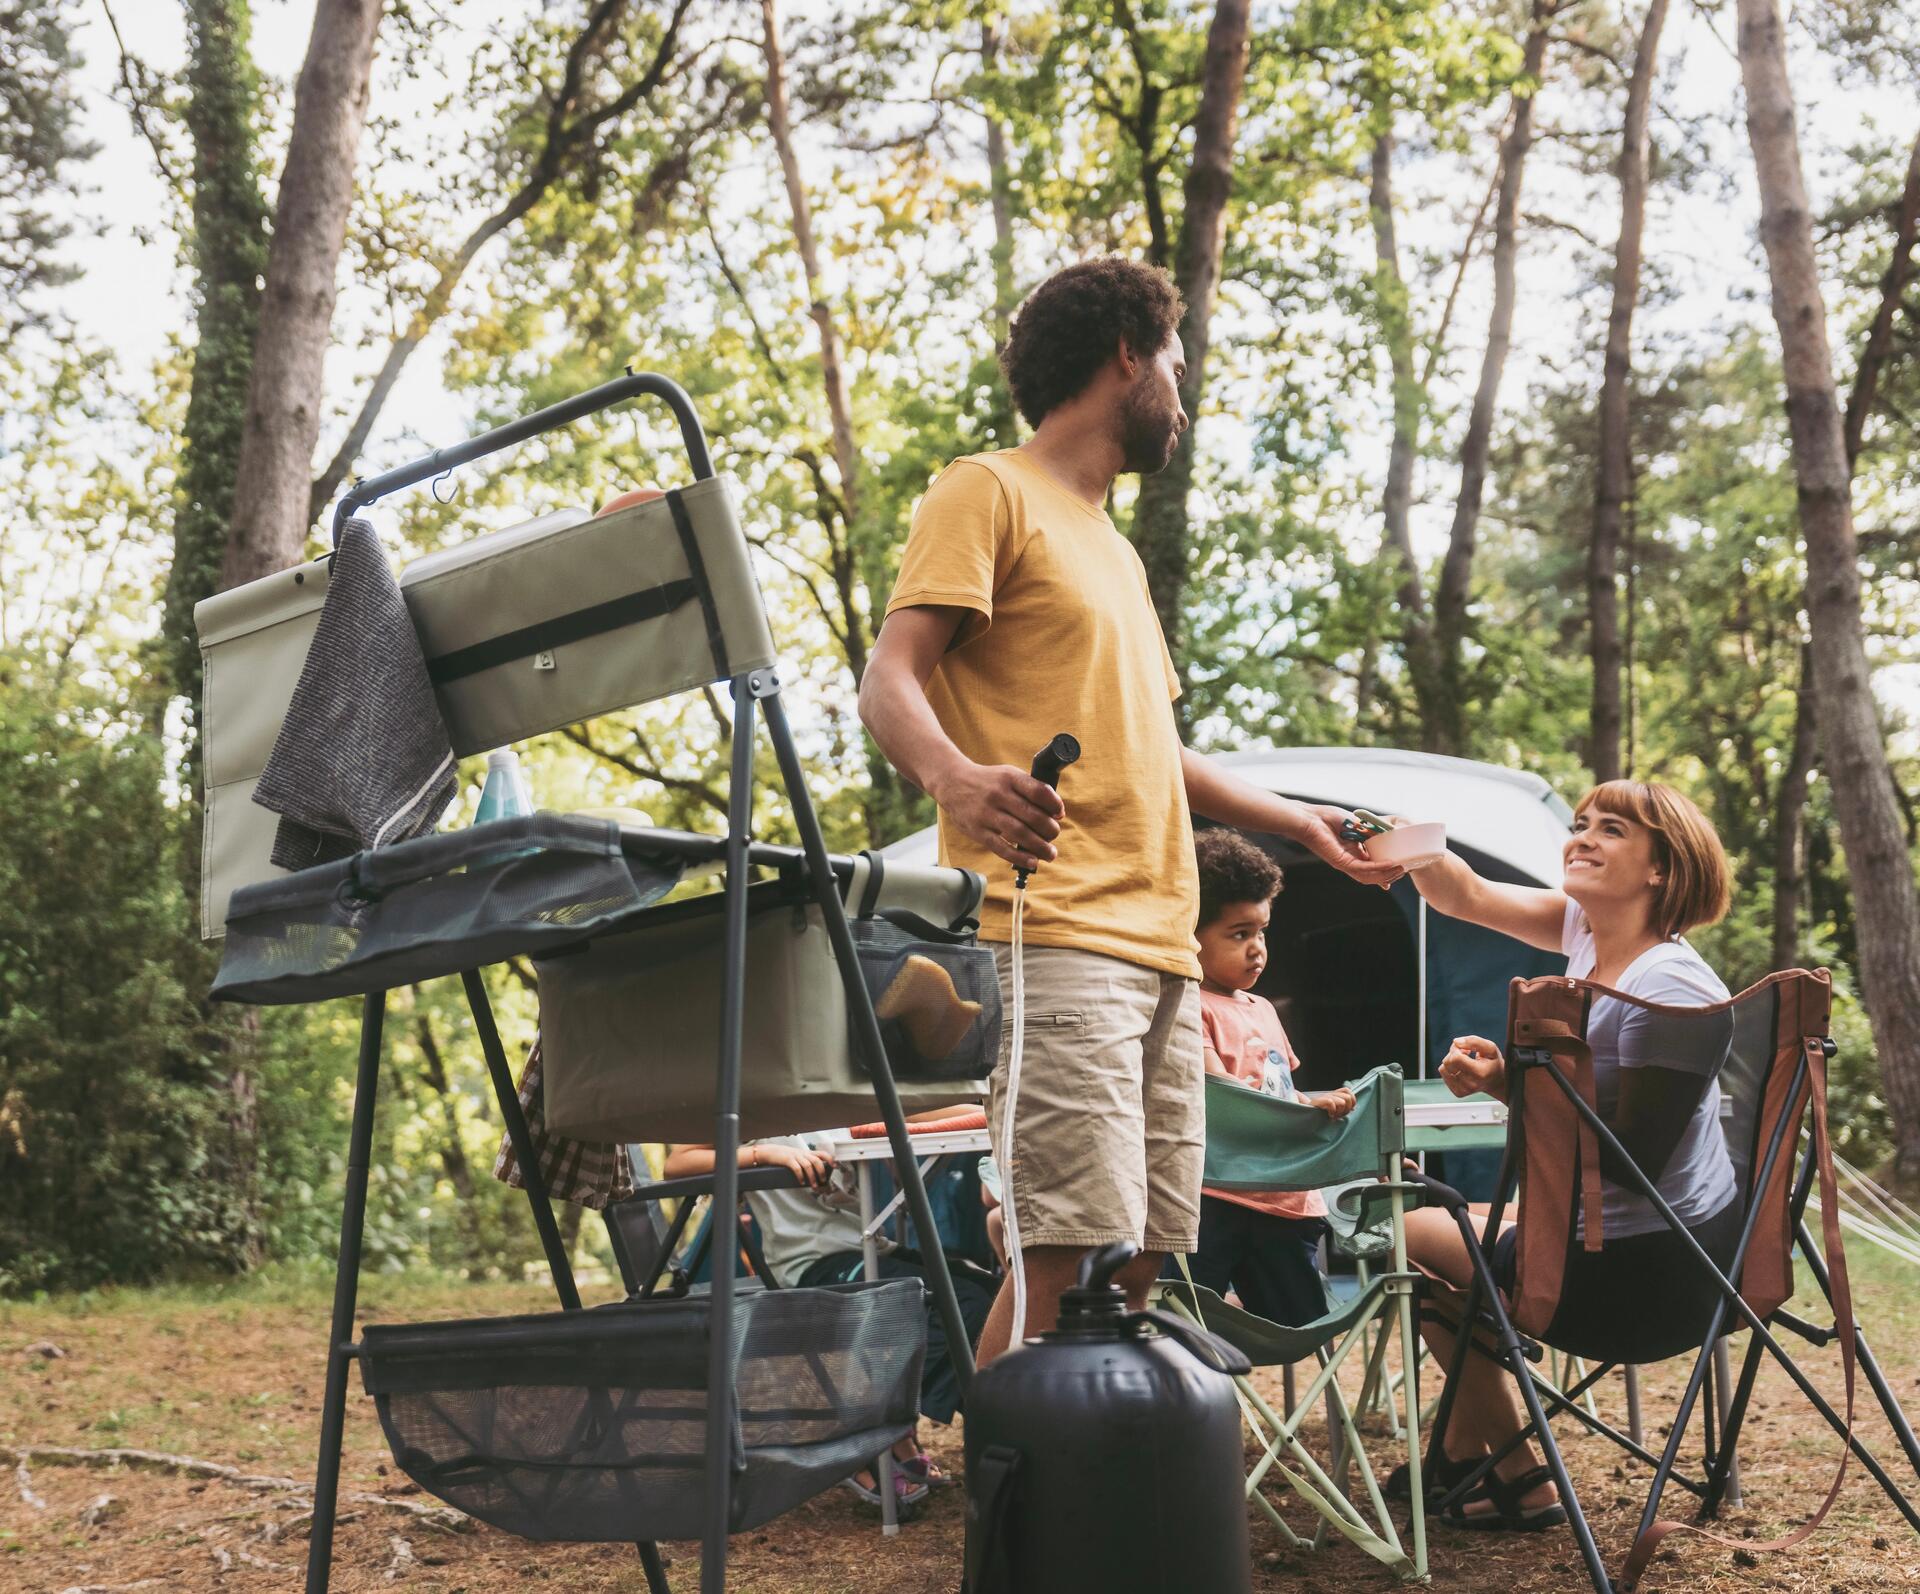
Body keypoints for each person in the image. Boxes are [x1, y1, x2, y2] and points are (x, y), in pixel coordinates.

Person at [857, 256, 1403, 1366]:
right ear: (1125, 353)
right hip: (1057, 933)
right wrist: (959, 780)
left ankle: (1046, 1480)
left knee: (1148, 1250)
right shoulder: (988, 491)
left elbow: (1157, 750)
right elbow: (889, 679)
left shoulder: (1111, 549)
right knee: (1065, 1247)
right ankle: (1026, 1519)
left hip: (1161, 949)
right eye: (1177, 360)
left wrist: (1298, 824)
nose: (1185, 387)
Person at [1395, 779, 1736, 1532]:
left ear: (1662, 868)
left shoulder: (1670, 983)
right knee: (1460, 1241)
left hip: (1640, 1272)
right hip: (1621, 1239)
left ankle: (1519, 1473)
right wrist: (1406, 847)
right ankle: (1463, 1461)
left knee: (1410, 1236)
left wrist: (1515, 1084)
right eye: (1580, 823)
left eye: (1610, 830)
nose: (1580, 838)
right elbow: (1466, 895)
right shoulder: (1587, 934)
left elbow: (1630, 1155)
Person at [661, 1133, 992, 1513]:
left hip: (865, 1243)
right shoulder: (751, 1099)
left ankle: (895, 1429)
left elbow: (912, 1110)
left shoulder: (830, 1095)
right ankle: (867, 1433)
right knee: (965, 1304)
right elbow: (677, 1161)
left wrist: (985, 1102)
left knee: (989, 1290)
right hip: (814, 1261)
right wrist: (762, 1154)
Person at [1181, 829, 1357, 1325]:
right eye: (1239, 934)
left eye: (1262, 932)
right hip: (1216, 1196)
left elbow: (1277, 1088)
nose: (1257, 949)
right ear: (1186, 937)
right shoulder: (1188, 1006)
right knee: (1194, 1319)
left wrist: (1310, 1104)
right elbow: (1223, 1094)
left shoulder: (1262, 1009)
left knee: (1300, 1318)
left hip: (1285, 1197)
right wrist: (1308, 1108)